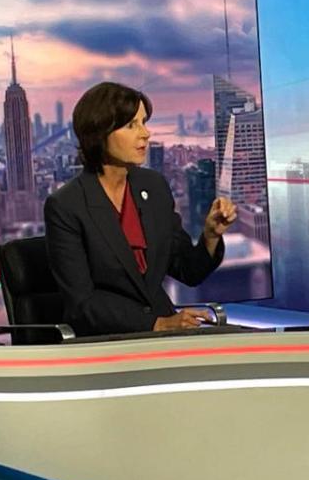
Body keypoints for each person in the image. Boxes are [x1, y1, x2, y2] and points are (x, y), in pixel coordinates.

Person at [44, 81, 237, 336]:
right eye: (131, 125)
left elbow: (187, 270)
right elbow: (82, 305)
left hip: (165, 332)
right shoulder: (66, 206)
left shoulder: (153, 186)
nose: (145, 133)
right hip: (108, 340)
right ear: (99, 133)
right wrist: (156, 324)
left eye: (144, 122)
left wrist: (211, 235)